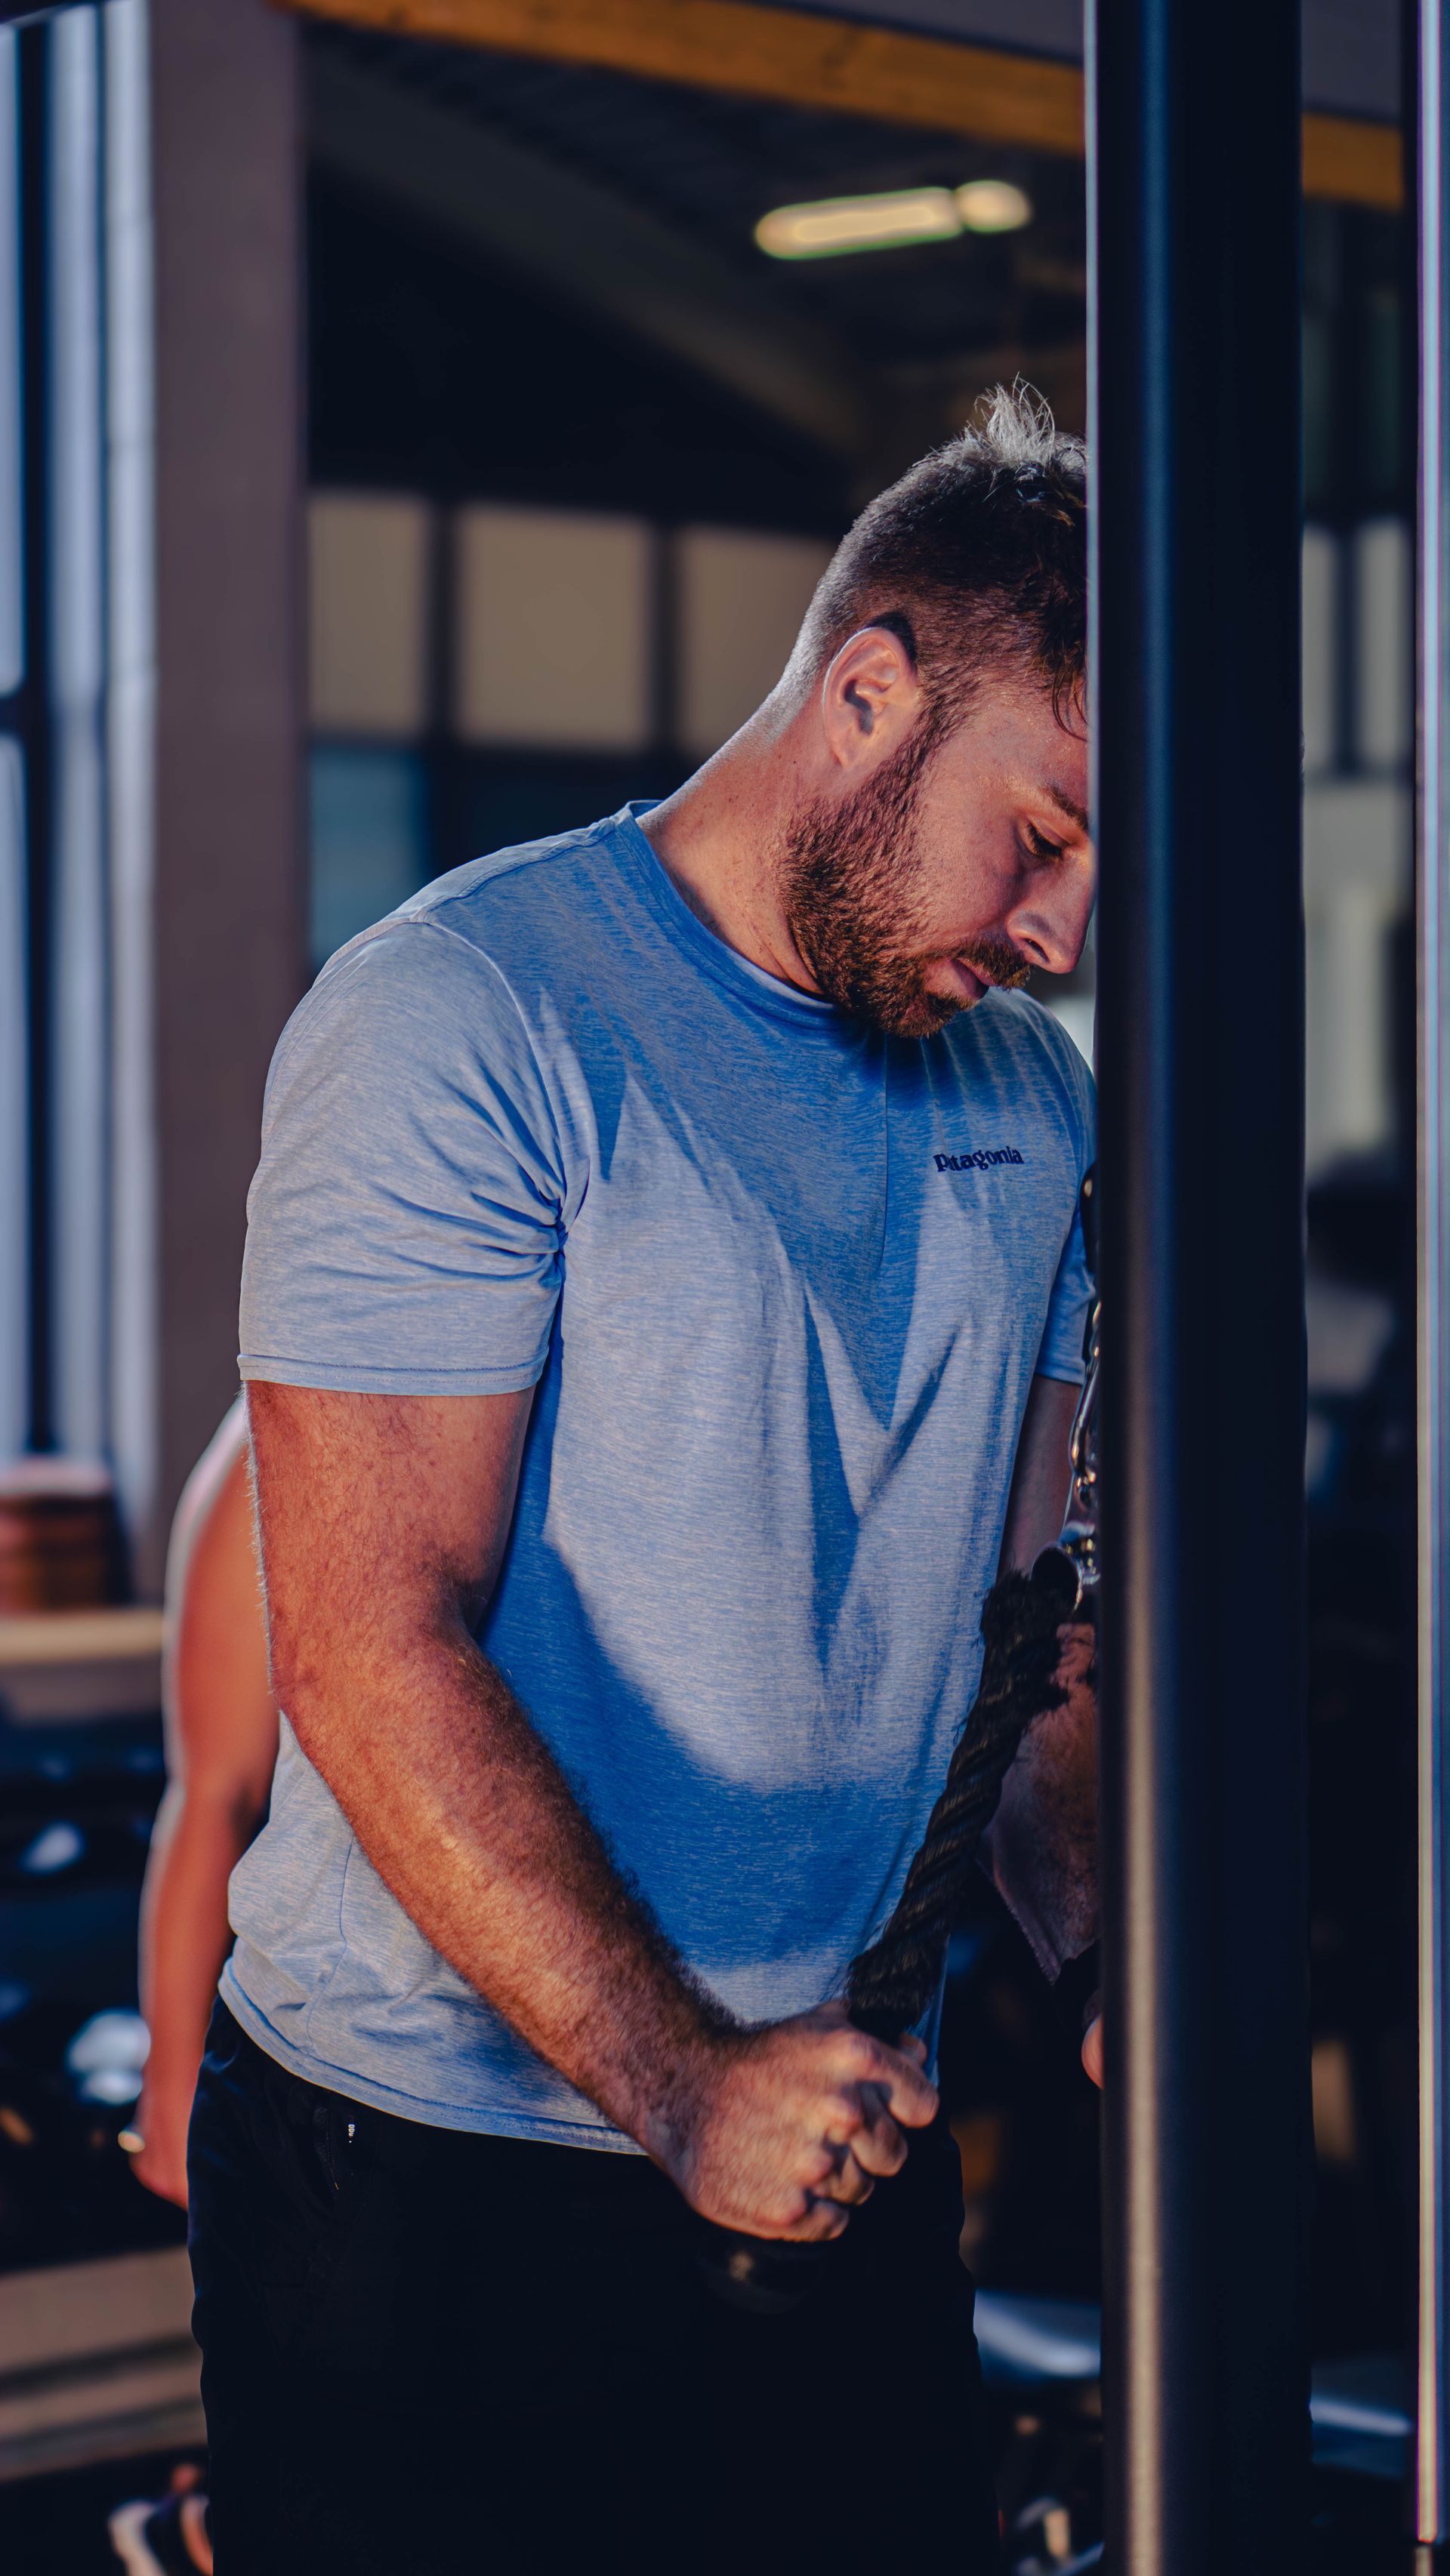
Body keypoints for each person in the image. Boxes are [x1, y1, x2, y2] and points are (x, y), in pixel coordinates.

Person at [190, 387, 1101, 2574]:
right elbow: (369, 1644)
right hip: (430, 2166)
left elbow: (1032, 1639)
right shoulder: (466, 1021)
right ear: (869, 689)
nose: (1062, 934)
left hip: (837, 2143)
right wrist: (686, 2078)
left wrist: (1109, 1962)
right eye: (1044, 835)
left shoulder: (1031, 1106)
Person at [111, 1400, 276, 2576]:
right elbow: (213, 1789)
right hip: (331, 2043)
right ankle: (196, 2535)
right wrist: (173, 2083)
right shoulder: (279, 1439)